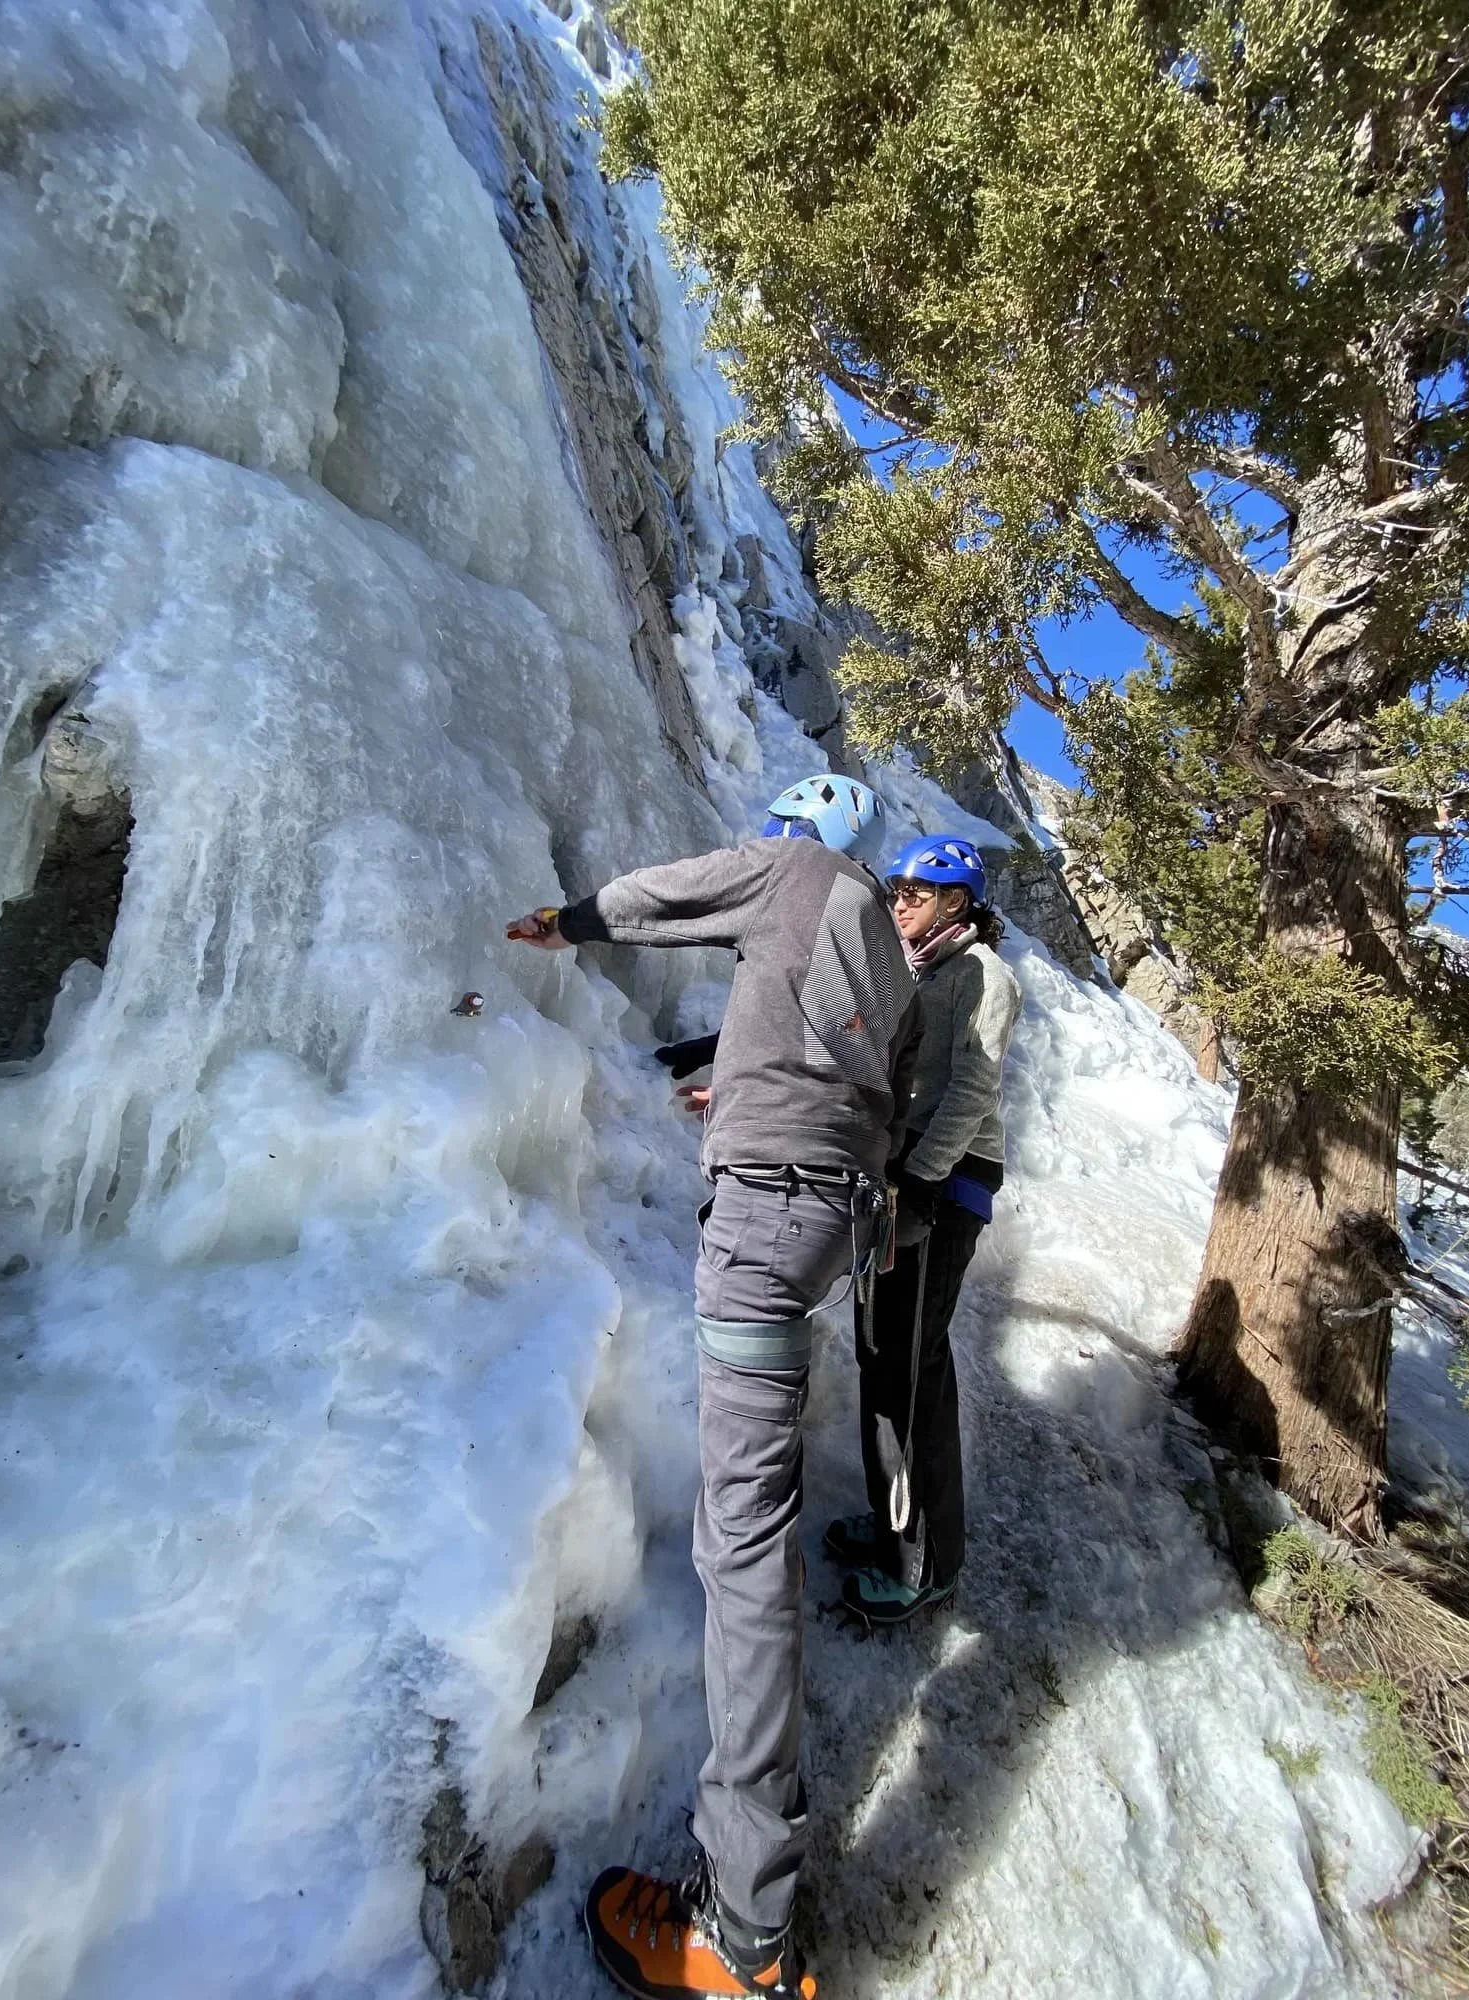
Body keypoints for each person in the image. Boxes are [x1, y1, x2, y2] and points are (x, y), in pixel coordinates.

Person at [508, 772, 918, 2000]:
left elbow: (671, 893)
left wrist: (565, 919)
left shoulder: (795, 871)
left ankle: (742, 1933)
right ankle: (749, 1901)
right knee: (756, 1519)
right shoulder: (886, 954)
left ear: (804, 832)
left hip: (763, 1218)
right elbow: (831, 1069)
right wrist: (730, 1088)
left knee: (744, 1549)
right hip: (833, 1222)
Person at [824, 835, 1021, 1627]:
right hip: (904, 1185)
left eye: (917, 890)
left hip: (941, 1186)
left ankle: (924, 1566)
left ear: (958, 902)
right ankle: (896, 1522)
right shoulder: (928, 971)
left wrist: (919, 1183)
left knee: (908, 1374)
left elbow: (974, 1084)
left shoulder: (983, 973)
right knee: (883, 1362)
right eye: (897, 888)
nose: (899, 900)